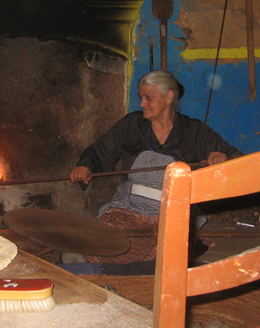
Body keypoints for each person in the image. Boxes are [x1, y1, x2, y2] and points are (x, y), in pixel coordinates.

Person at [70, 70, 241, 263]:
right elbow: (102, 148)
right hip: (129, 208)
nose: (142, 104)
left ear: (168, 97)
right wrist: (86, 166)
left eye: (148, 97)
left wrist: (223, 159)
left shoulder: (194, 131)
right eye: (140, 98)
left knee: (163, 251)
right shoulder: (132, 124)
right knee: (107, 237)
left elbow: (237, 158)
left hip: (173, 212)